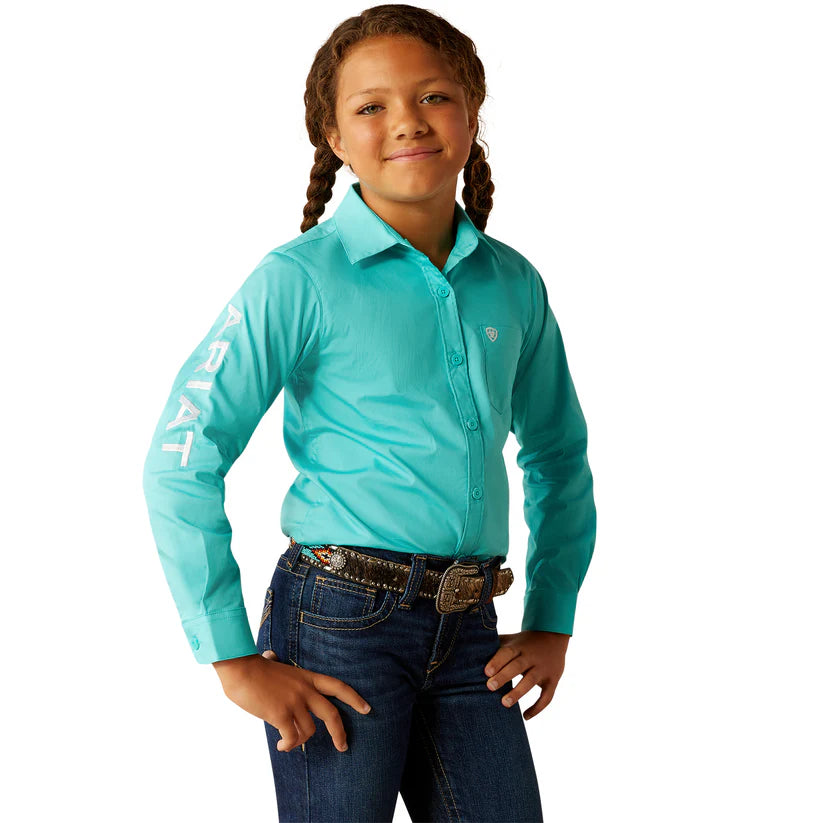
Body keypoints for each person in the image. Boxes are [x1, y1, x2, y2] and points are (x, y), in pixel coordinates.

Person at [142, 4, 597, 821]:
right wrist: (231, 655)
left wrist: (552, 617)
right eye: (370, 106)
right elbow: (184, 452)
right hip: (337, 622)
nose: (407, 122)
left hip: (471, 630)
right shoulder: (298, 279)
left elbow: (558, 455)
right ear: (333, 137)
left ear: (471, 112)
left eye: (434, 96)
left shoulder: (512, 283)